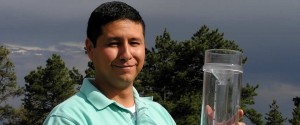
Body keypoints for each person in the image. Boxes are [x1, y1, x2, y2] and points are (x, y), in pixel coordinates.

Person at [43, 1, 245, 125]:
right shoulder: (69, 119)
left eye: (134, 42)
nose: (126, 54)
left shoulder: (158, 114)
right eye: (113, 43)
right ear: (90, 48)